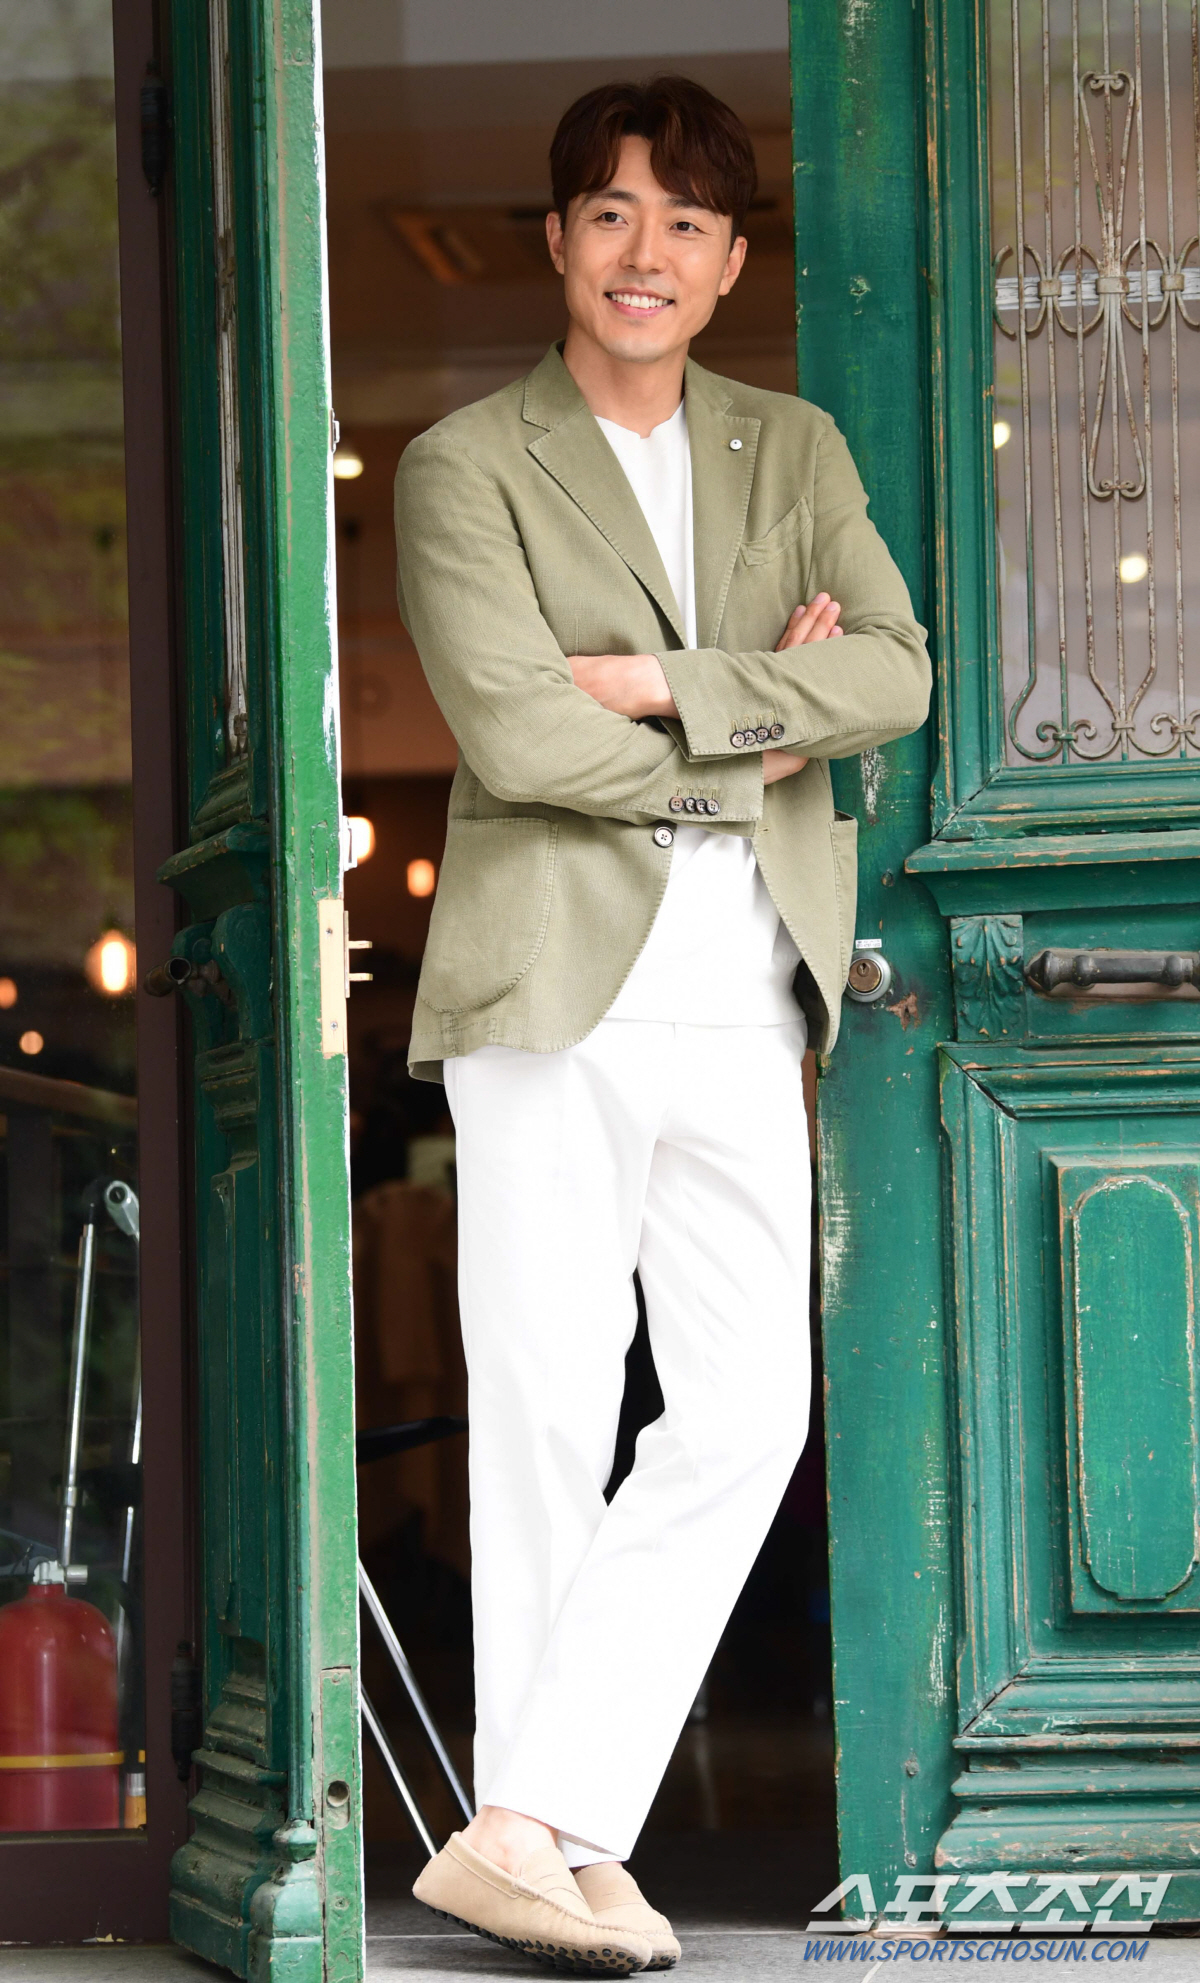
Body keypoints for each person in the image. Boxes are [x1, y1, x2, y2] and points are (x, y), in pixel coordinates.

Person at [393, 75, 930, 1975]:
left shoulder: (796, 446)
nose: (648, 253)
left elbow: (896, 671)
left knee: (750, 1412)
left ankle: (532, 1819)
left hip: (746, 993)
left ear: (728, 265)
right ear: (558, 241)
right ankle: (567, 1848)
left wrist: (651, 685)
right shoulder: (464, 465)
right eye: (613, 214)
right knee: (545, 1415)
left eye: (688, 223)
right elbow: (516, 731)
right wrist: (755, 727)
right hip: (554, 988)